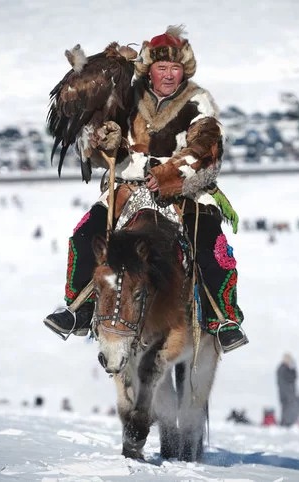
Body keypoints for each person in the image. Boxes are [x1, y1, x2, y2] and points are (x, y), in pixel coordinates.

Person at [43, 25, 247, 352]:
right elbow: (112, 143)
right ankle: (78, 309)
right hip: (127, 190)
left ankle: (222, 318)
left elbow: (206, 150)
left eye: (175, 68)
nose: (168, 74)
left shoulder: (199, 103)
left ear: (185, 70)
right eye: (161, 67)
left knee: (211, 247)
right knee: (84, 236)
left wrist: (168, 174)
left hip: (185, 194)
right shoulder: (129, 95)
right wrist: (110, 144)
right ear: (149, 68)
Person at [276, 353, 299, 426]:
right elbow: (290, 379)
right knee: (286, 408)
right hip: (285, 393)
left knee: (288, 408)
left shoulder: (286, 368)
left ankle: (287, 422)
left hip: (288, 393)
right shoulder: (282, 368)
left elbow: (294, 378)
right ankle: (285, 422)